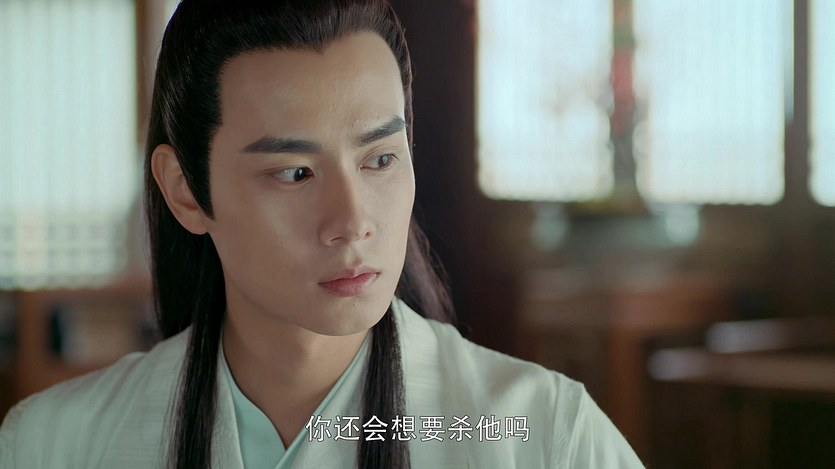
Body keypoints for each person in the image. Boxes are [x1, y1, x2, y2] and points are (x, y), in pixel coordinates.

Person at [0, 1, 644, 467]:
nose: (352, 221)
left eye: (380, 159)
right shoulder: (57, 444)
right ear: (186, 191)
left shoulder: (543, 433)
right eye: (295, 172)